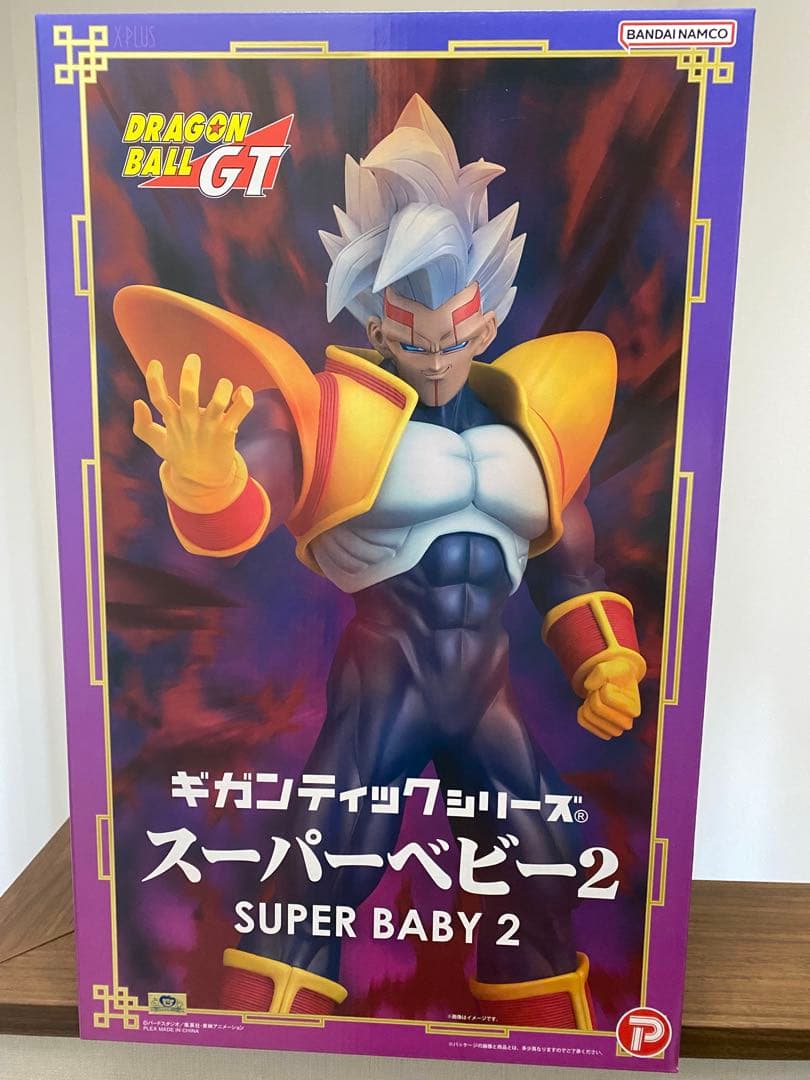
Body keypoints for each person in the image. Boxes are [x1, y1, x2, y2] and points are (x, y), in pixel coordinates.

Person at [114, 94, 645, 1030]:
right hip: (385, 679)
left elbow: (570, 564)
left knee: (541, 861)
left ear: (489, 316)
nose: (435, 353)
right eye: (412, 332)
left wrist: (605, 659)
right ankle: (253, 1042)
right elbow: (247, 502)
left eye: (455, 330)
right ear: (374, 322)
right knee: (319, 869)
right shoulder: (332, 414)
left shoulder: (537, 419)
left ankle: (548, 1042)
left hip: (484, 692)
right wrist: (204, 477)